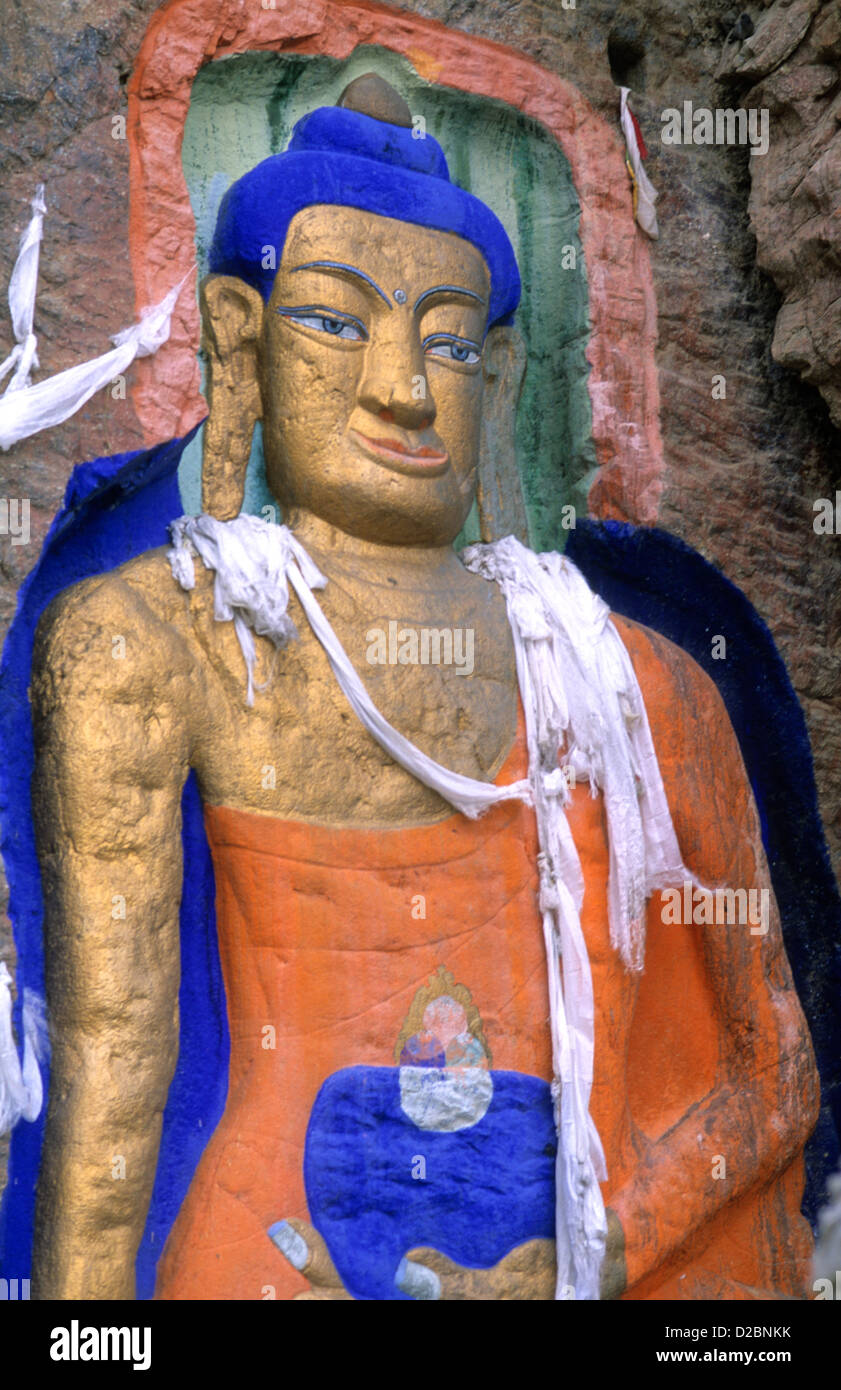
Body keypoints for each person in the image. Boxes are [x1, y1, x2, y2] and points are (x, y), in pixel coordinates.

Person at [27, 76, 818, 1301]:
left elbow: (774, 1074)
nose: (401, 388)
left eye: (448, 341)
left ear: (497, 380)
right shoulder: (144, 642)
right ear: (236, 343)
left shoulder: (634, 688)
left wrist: (594, 1246)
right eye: (335, 323)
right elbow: (108, 1092)